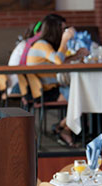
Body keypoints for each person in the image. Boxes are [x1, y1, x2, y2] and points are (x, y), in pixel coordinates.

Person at [26, 14, 89, 147]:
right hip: (44, 92)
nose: (65, 32)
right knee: (83, 98)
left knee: (83, 96)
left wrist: (75, 56)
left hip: (49, 89)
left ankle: (63, 127)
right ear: (55, 29)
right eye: (63, 29)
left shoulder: (44, 45)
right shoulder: (41, 44)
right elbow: (59, 61)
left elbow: (58, 62)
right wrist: (65, 41)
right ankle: (65, 129)